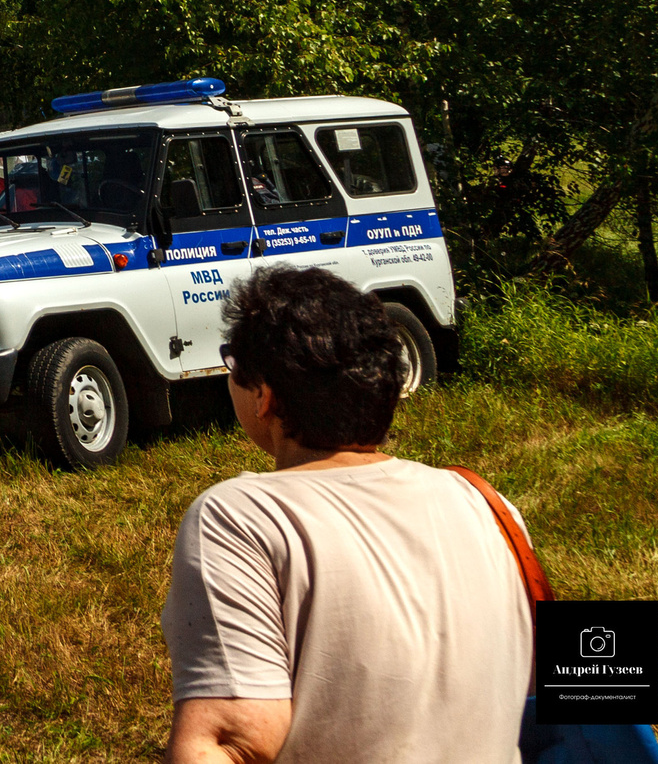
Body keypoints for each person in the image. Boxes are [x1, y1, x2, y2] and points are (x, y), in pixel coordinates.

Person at [161, 267, 532, 764]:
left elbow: (229, 742)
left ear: (264, 394)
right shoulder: (487, 503)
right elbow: (580, 683)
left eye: (233, 365)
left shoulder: (239, 518)